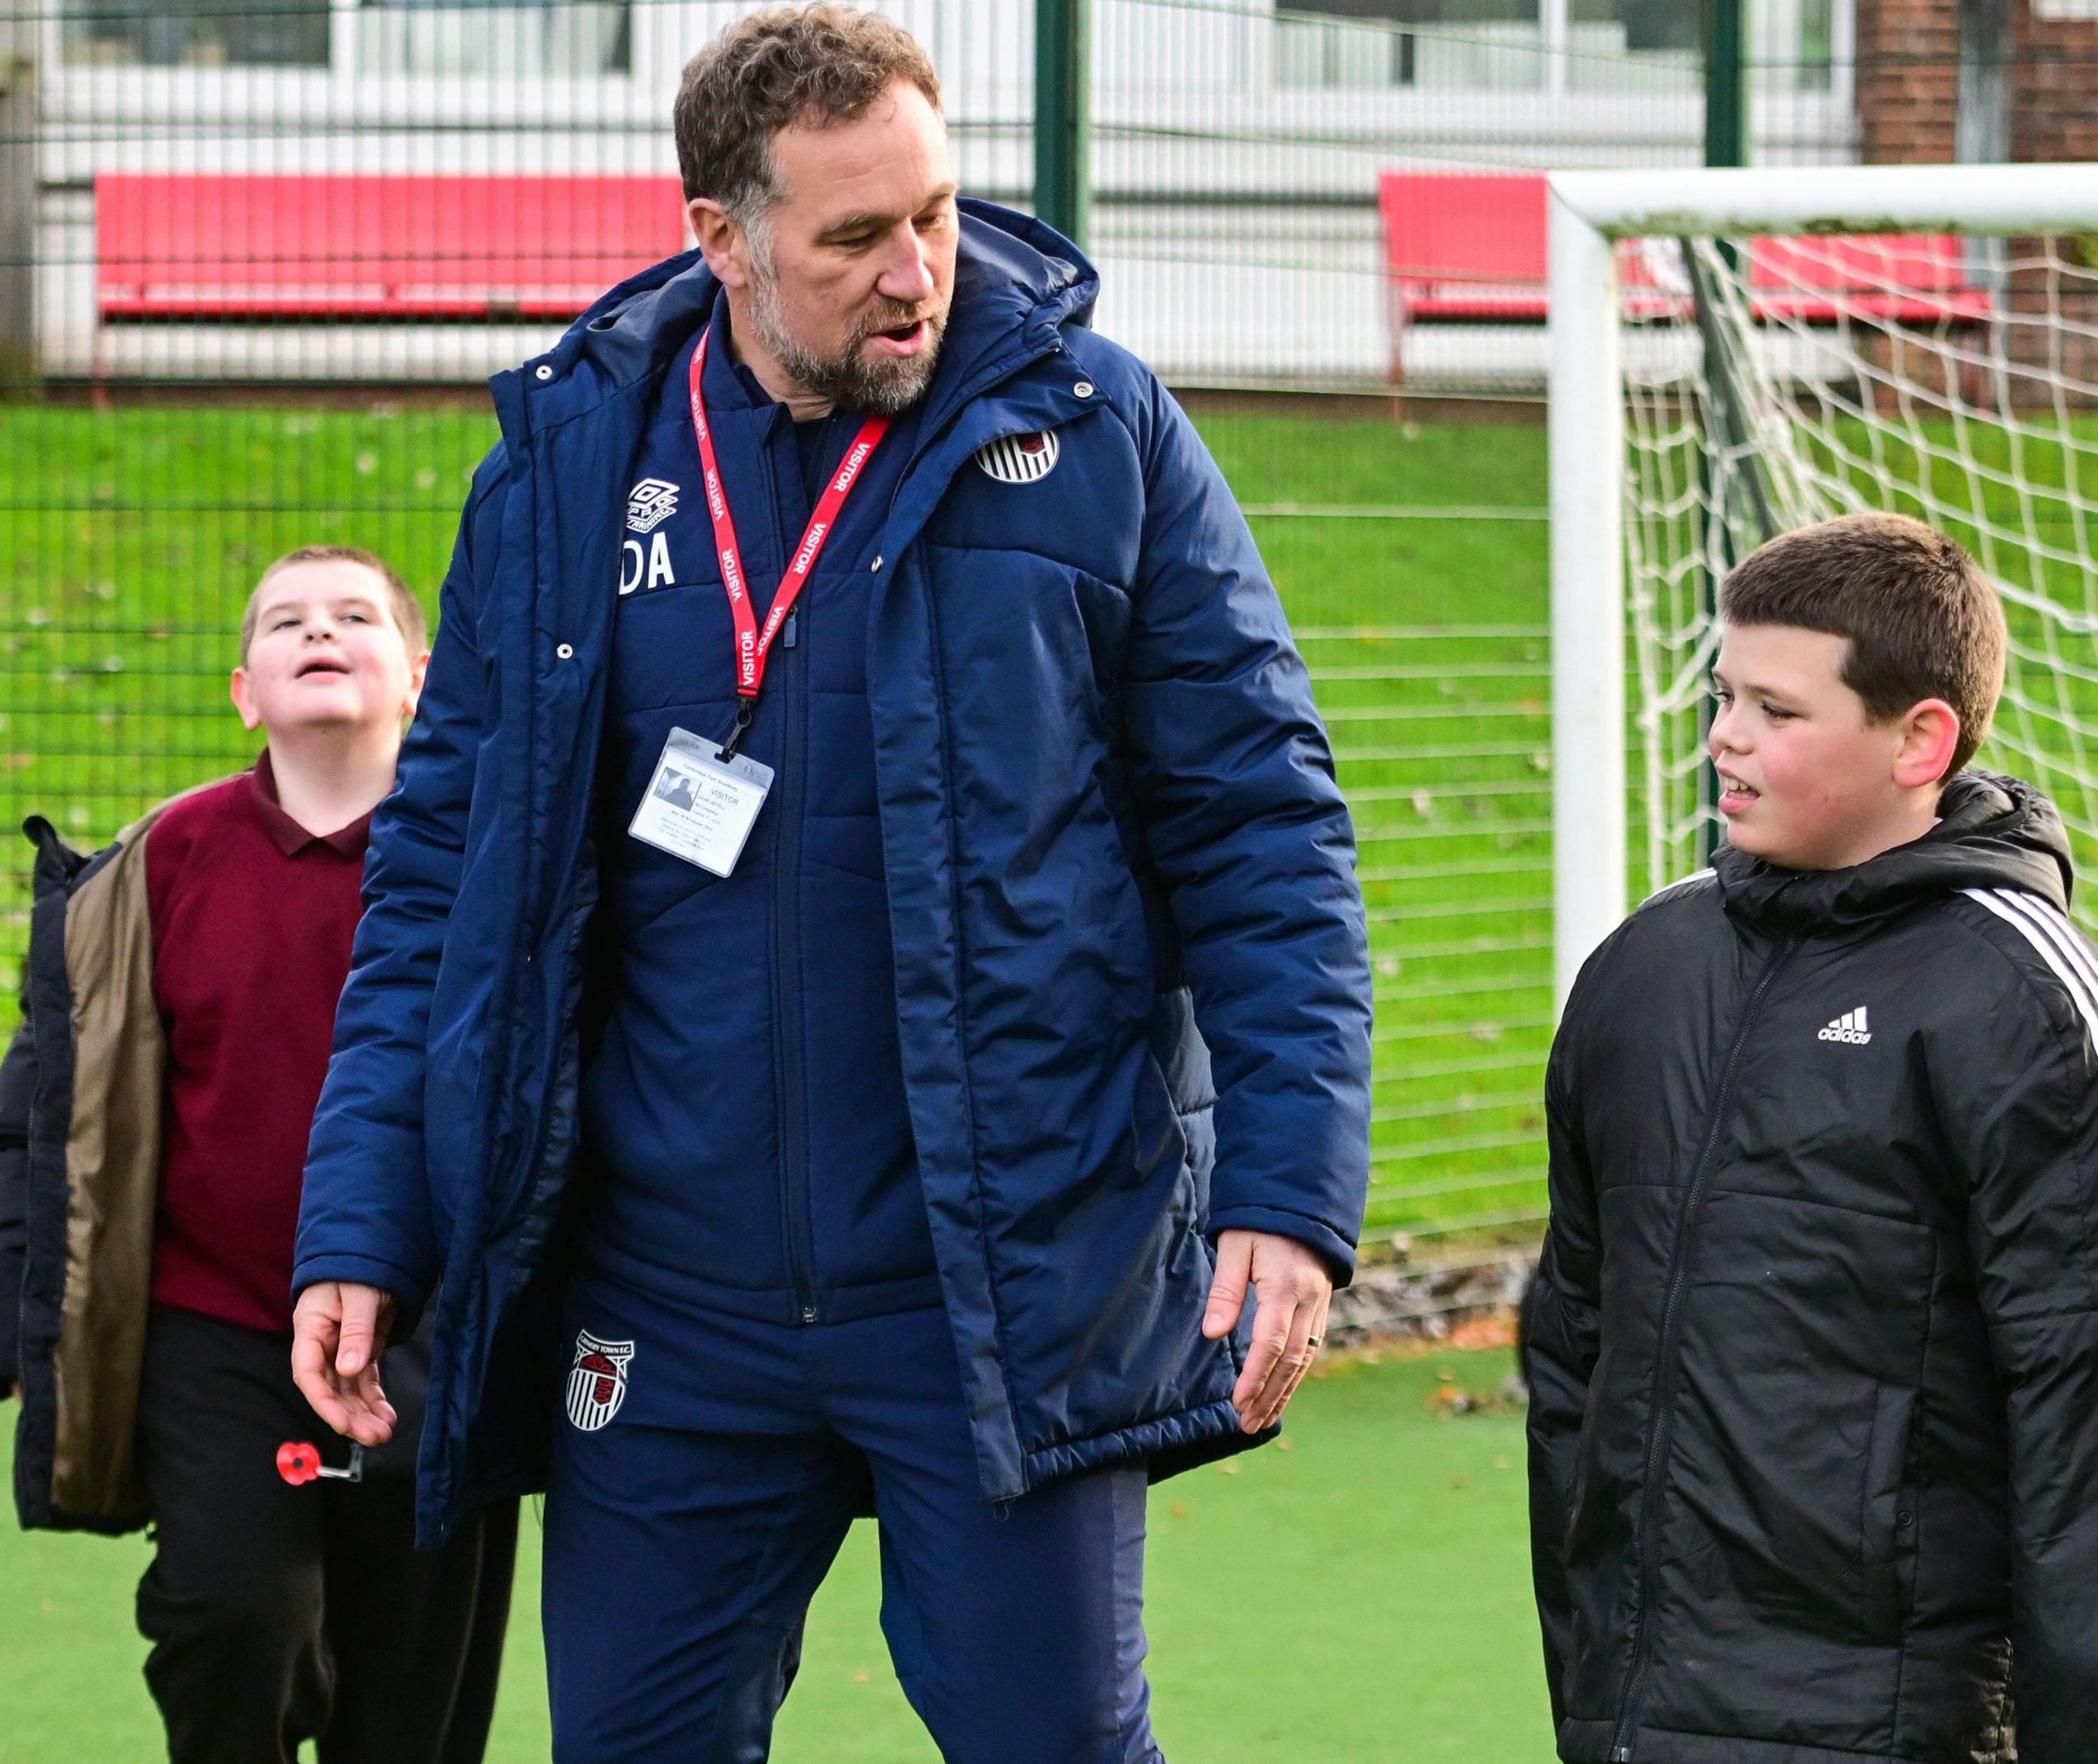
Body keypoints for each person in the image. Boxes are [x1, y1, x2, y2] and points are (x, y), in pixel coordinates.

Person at [286, 9, 1373, 1760]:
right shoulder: (570, 475)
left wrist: (1291, 1187)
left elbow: (1262, 825)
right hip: (665, 1310)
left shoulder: (1096, 433)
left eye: (934, 213)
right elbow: (438, 885)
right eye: (854, 236)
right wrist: (364, 1219)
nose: (916, 272)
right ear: (720, 239)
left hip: (1002, 1288)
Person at [1521, 512, 2098, 1763]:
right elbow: (1573, 1346)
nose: (1726, 735)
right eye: (1725, 695)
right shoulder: (1646, 967)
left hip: (1900, 1725)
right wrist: (1591, 1668)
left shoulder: (2032, 1000)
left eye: (1778, 711)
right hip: (1635, 1718)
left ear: (1920, 739)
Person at [0, 547, 514, 1763]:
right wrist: (11, 1279)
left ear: (420, 676)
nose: (321, 632)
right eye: (287, 623)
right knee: (232, 1617)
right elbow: (45, 1097)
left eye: (356, 615)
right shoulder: (157, 868)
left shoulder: (494, 860)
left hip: (431, 1331)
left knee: (410, 1686)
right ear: (244, 690)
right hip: (216, 1327)